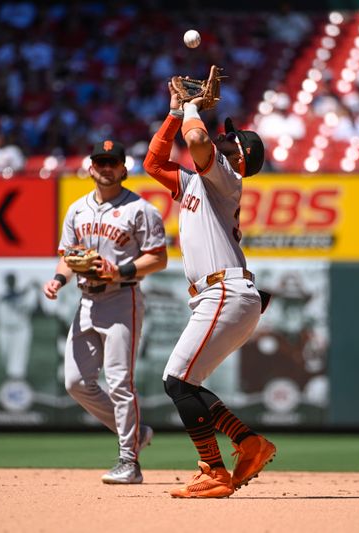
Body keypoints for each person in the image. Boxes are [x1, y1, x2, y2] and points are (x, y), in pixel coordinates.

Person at [142, 82, 276, 498]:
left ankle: (214, 471)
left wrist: (194, 107)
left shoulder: (224, 174)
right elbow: (152, 162)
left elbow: (198, 139)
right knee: (187, 383)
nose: (223, 135)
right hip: (222, 295)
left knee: (177, 382)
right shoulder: (201, 182)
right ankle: (249, 443)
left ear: (239, 156)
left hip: (225, 292)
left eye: (230, 137)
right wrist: (175, 113)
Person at [42, 139, 168, 485]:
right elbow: (69, 258)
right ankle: (136, 433)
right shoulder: (77, 210)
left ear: (125, 169)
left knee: (119, 383)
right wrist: (57, 279)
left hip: (121, 299)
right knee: (76, 382)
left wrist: (121, 271)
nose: (106, 167)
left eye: (113, 162)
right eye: (101, 161)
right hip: (85, 300)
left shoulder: (141, 210)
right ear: (91, 168)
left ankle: (130, 461)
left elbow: (158, 258)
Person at [0, 272, 38, 382]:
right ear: (6, 281)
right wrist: (29, 286)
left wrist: (32, 289)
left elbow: (30, 305)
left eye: (12, 280)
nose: (11, 282)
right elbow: (9, 297)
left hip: (20, 329)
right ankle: (11, 375)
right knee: (5, 355)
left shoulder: (23, 296)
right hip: (4, 330)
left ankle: (18, 378)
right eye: (9, 279)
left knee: (19, 355)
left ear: (15, 281)